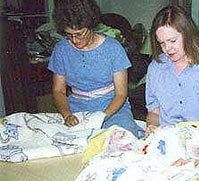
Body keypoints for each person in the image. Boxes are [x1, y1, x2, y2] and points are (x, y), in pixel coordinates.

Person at [145, 5, 199, 167]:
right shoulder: (156, 67)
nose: (167, 49)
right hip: (168, 139)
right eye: (162, 43)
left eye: (172, 41)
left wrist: (187, 137)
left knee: (189, 179)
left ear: (188, 34)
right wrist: (152, 125)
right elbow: (154, 112)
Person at [48, 0, 144, 138]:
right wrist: (68, 115)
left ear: (91, 26)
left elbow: (121, 94)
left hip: (112, 106)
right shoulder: (61, 49)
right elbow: (59, 91)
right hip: (77, 107)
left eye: (80, 34)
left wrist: (102, 117)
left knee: (122, 138)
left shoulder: (113, 48)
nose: (74, 40)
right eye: (69, 35)